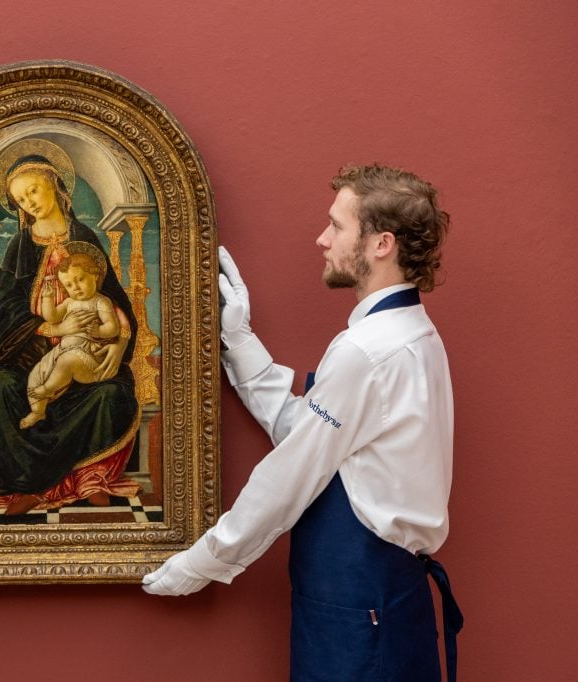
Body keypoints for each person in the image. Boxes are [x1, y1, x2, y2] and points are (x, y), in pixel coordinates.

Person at [143, 164, 463, 680]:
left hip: (360, 611)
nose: (322, 239)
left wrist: (200, 563)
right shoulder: (412, 335)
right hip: (379, 603)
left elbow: (290, 475)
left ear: (381, 244)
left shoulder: (367, 351)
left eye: (337, 226)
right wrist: (240, 340)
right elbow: (309, 436)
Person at [0, 150, 141, 516]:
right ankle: (28, 484)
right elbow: (1, 309)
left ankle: (90, 478)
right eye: (21, 200)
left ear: (55, 185)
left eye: (34, 192)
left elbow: (116, 299)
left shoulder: (84, 237)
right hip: (30, 355)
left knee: (111, 392)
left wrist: (119, 344)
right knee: (4, 388)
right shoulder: (19, 246)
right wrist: (52, 326)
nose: (29, 203)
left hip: (87, 351)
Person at [21, 245, 120, 429]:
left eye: (80, 279)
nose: (76, 288)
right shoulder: (69, 302)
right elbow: (52, 318)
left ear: (95, 275)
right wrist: (48, 300)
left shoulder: (101, 301)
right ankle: (38, 411)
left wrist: (99, 331)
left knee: (66, 362)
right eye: (69, 285)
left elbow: (113, 328)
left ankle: (47, 389)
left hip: (87, 354)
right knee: (36, 374)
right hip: (63, 350)